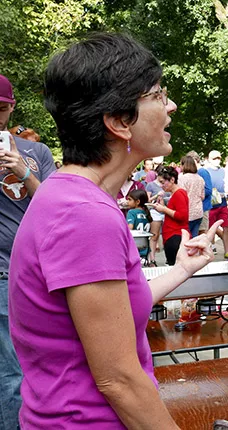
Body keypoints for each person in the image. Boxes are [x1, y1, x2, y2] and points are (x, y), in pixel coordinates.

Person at [9, 32, 221, 428]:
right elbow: (119, 380)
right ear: (119, 122)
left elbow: (113, 313)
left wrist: (183, 269)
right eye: (157, 95)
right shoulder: (84, 215)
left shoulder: (68, 194)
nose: (171, 105)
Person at [0, 73, 55, 430]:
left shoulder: (37, 152)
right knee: (10, 375)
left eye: (2, 108)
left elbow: (58, 205)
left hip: (35, 275)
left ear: (12, 107)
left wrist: (23, 172)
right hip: (2, 276)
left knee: (33, 368)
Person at [152, 166, 189, 266]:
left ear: (172, 180)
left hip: (175, 235)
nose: (161, 185)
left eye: (163, 182)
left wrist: (164, 209)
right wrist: (163, 207)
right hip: (172, 235)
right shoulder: (175, 193)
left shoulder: (179, 193)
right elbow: (174, 213)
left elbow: (182, 216)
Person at [207, 149, 228, 258]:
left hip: (222, 203)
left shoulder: (224, 171)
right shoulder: (205, 171)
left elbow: (227, 184)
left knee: (226, 226)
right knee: (210, 228)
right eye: (214, 158)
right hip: (211, 205)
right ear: (209, 159)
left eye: (218, 158)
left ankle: (227, 251)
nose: (217, 160)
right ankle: (210, 248)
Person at [178, 155, 205, 237]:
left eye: (180, 164)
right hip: (198, 212)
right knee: (194, 236)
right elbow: (202, 196)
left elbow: (181, 195)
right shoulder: (200, 178)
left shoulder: (182, 178)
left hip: (187, 212)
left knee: (185, 238)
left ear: (184, 165)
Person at [187, 151, 212, 235]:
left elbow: (208, 189)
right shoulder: (193, 173)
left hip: (203, 206)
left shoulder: (202, 172)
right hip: (195, 207)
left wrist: (195, 194)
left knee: (202, 231)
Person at [126, 189, 152, 261]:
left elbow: (130, 227)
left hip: (134, 246)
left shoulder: (131, 212)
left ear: (137, 202)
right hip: (146, 247)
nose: (127, 202)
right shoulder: (146, 212)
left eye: (129, 199)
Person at [144, 170, 163, 266]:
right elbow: (147, 201)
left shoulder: (167, 184)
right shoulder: (151, 185)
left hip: (166, 211)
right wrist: (157, 195)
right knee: (154, 235)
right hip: (155, 212)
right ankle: (152, 260)